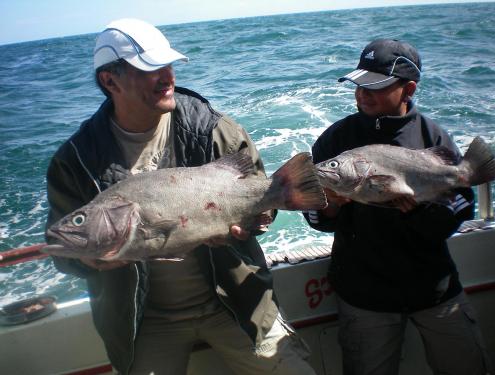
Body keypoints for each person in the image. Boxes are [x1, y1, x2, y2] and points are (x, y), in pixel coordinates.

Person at [45, 18, 316, 375]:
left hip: (235, 302)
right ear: (109, 81)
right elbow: (62, 248)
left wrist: (256, 222)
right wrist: (90, 262)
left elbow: (258, 198)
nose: (167, 77)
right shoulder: (75, 160)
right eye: (150, 69)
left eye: (168, 65)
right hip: (144, 322)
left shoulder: (213, 129)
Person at [304, 39, 491, 375]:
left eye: (375, 86)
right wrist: (330, 207)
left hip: (434, 288)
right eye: (359, 85)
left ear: (408, 89)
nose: (363, 94)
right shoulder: (335, 140)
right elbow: (315, 215)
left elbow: (461, 209)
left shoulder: (433, 137)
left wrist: (417, 210)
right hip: (363, 296)